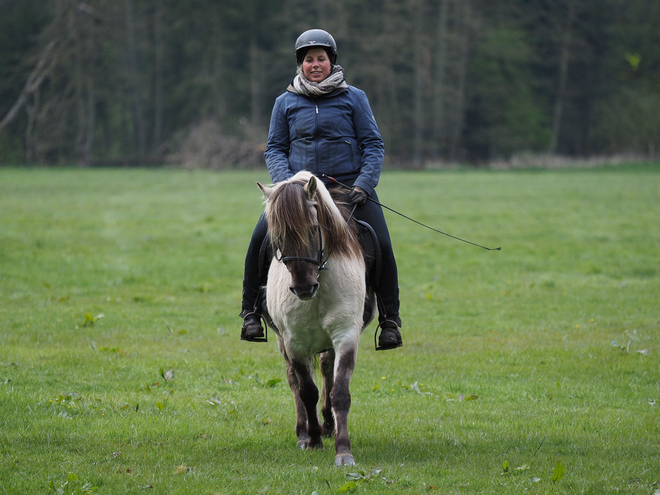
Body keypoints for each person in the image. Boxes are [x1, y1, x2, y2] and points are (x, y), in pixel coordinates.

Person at [240, 28, 403, 350]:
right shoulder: (284, 102)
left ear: (332, 62)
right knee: (260, 239)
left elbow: (372, 144)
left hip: (348, 189)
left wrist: (364, 184)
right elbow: (274, 148)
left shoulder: (354, 97)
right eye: (309, 60)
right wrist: (289, 184)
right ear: (300, 64)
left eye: (321, 59)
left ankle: (390, 322)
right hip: (299, 192)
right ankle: (250, 314)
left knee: (381, 243)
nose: (316, 65)